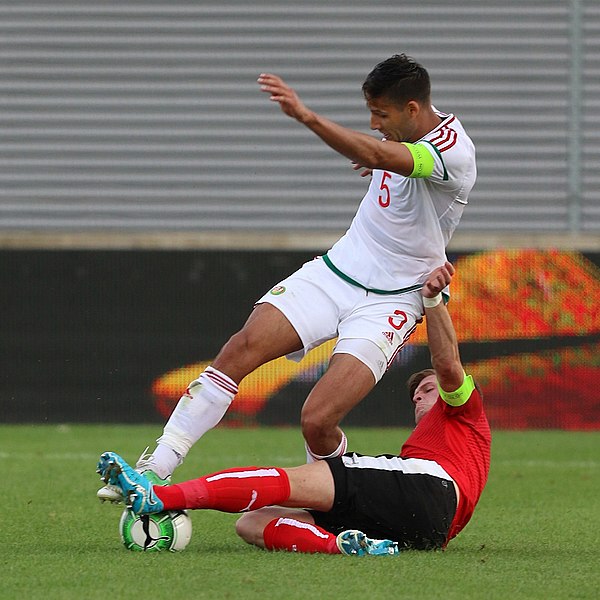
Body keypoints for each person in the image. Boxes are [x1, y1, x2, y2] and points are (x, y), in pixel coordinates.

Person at [98, 53, 477, 502]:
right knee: (241, 348)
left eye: (381, 114)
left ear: (412, 109)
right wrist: (379, 159)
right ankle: (155, 467)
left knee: (317, 420)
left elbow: (382, 152)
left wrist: (307, 116)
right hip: (337, 272)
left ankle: (332, 496)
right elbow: (385, 157)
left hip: (393, 300)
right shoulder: (406, 140)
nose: (374, 123)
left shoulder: (453, 151)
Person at [97, 262, 491, 555]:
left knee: (286, 479)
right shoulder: (430, 446)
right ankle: (345, 545)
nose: (420, 397)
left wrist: (433, 300)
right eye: (416, 394)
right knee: (252, 524)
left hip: (433, 489)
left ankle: (159, 497)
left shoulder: (465, 410)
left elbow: (447, 365)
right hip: (426, 531)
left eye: (426, 390)